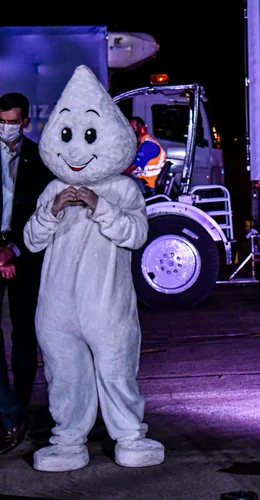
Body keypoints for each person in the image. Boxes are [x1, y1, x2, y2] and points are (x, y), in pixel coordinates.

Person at [23, 65, 164, 471]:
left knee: (116, 369)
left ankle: (130, 435)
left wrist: (99, 206)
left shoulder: (123, 188)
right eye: (66, 136)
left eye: (88, 136)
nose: (76, 150)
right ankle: (68, 439)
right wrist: (52, 210)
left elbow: (136, 235)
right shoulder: (53, 189)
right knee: (65, 376)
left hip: (107, 305)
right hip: (57, 305)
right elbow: (32, 240)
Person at [0, 92, 56, 454]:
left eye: (11, 122)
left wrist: (13, 250)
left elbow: (43, 212)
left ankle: (18, 409)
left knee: (24, 332)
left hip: (23, 252)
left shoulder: (39, 159)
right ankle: (9, 410)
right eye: (0, 121)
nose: (5, 128)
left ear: (25, 123)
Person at [123, 116, 166, 195]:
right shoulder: (143, 143)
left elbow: (130, 169)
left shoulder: (148, 146)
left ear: (142, 130)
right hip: (141, 181)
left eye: (133, 128)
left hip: (146, 185)